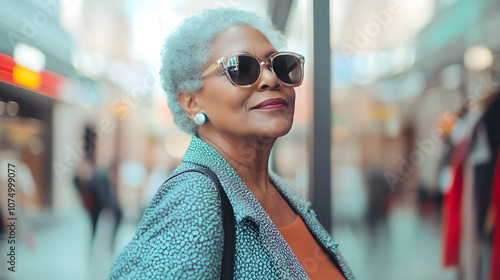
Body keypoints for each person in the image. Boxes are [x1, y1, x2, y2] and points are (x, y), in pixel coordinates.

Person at [108, 8, 354, 279]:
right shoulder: (193, 199)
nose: (271, 80)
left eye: (281, 66)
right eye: (241, 68)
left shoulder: (280, 192)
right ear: (192, 102)